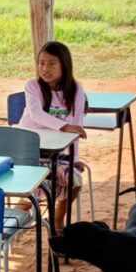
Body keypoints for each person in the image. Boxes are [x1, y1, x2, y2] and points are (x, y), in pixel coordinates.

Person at [18, 41, 88, 231]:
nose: (45, 68)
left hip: (56, 155)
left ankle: (57, 219)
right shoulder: (33, 86)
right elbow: (36, 115)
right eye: (41, 63)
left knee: (75, 180)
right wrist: (64, 126)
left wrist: (74, 159)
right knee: (36, 180)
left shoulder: (76, 91)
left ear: (64, 65)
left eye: (51, 63)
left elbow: (77, 129)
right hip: (28, 154)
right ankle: (20, 212)